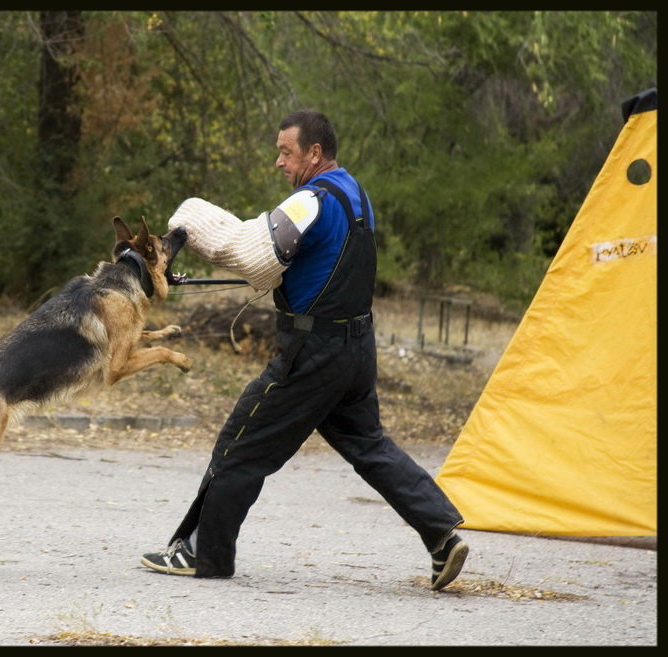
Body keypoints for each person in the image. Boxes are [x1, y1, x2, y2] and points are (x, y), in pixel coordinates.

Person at [142, 110, 468, 591]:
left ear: (315, 153)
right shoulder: (356, 194)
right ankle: (441, 535)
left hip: (313, 353)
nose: (278, 161)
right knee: (369, 445)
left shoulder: (310, 201)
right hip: (357, 350)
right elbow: (306, 264)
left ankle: (203, 554)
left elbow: (250, 254)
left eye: (286, 152)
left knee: (241, 443)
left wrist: (188, 224)